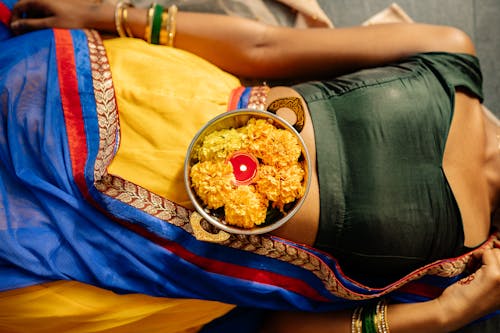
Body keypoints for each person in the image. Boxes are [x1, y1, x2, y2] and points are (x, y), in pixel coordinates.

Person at [0, 0, 499, 332]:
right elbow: (266, 46)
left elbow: (281, 326)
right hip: (139, 106)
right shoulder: (450, 56)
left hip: (140, 262)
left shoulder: (464, 270)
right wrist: (110, 12)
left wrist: (448, 313)